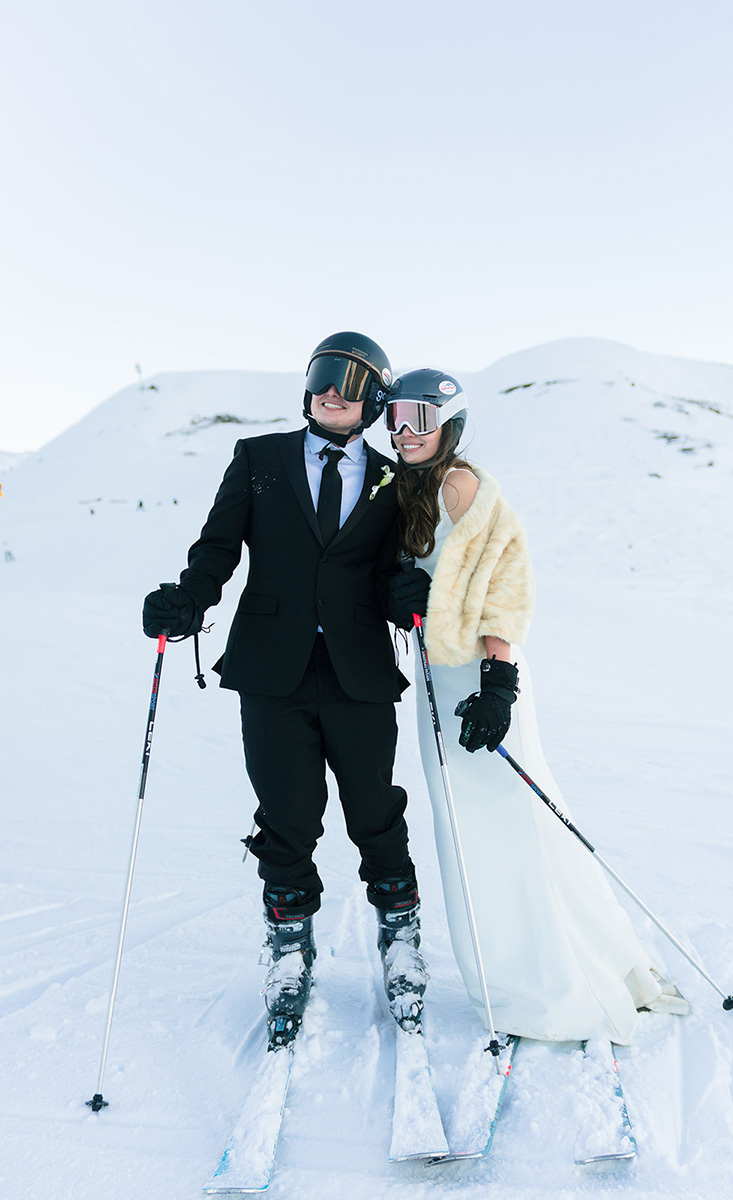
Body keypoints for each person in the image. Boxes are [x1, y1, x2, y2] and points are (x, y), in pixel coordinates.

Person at [383, 368, 689, 1045]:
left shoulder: (464, 487)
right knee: (474, 830)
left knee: (510, 828)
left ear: (451, 427)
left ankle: (548, 989)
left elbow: (504, 589)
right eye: (398, 417)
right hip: (440, 680)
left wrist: (497, 685)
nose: (406, 432)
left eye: (422, 419)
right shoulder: (416, 490)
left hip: (478, 684)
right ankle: (549, 971)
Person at [142, 333, 428, 1048]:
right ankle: (289, 946)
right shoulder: (259, 460)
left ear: (373, 400)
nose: (332, 391)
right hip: (274, 669)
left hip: (359, 669)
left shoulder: (397, 480)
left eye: (351, 382)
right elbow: (217, 548)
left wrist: (405, 594)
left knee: (374, 810)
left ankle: (400, 939)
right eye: (323, 378)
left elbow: (393, 569)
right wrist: (187, 597)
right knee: (288, 813)